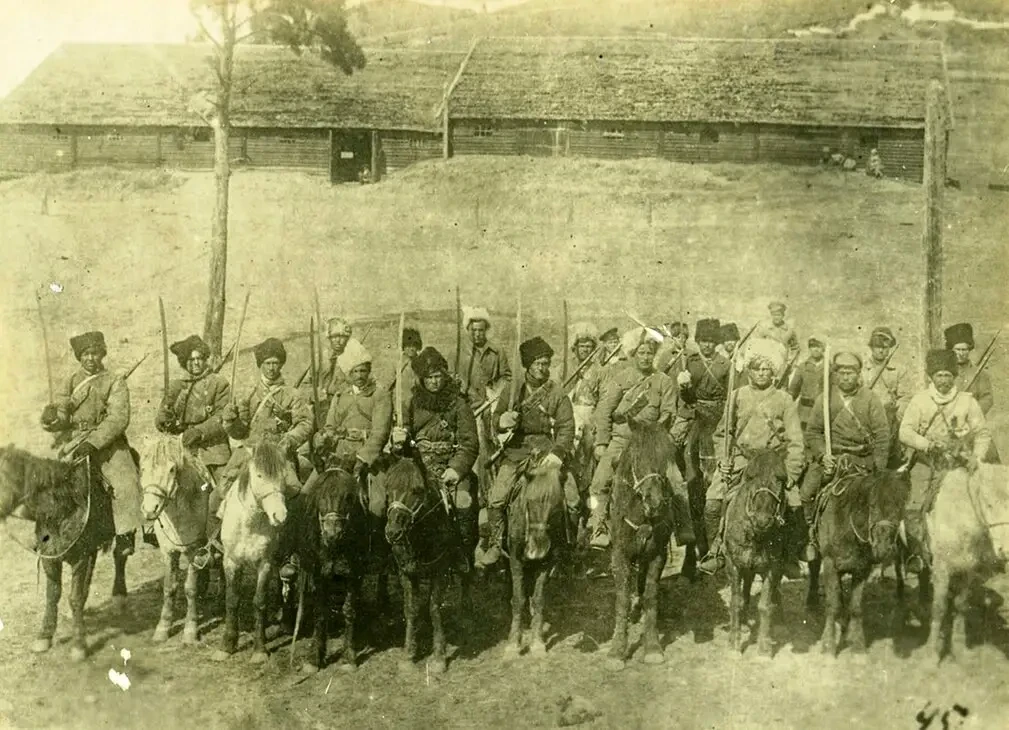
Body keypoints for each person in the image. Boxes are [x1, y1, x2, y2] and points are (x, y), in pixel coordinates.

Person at [698, 338, 805, 575]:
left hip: (772, 462)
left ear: (774, 372)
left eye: (767, 368)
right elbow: (722, 433)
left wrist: (791, 473)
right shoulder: (736, 396)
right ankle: (717, 551)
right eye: (757, 368)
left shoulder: (784, 400)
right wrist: (723, 460)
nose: (762, 373)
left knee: (795, 502)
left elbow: (796, 441)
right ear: (749, 370)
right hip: (741, 460)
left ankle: (790, 556)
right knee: (713, 501)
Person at [587, 328, 695, 550]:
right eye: (641, 353)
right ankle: (599, 527)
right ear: (633, 354)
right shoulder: (620, 379)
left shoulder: (663, 381)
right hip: (623, 440)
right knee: (599, 483)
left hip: (652, 442)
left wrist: (661, 437)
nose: (646, 358)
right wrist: (601, 442)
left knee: (675, 480)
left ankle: (683, 526)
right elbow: (604, 411)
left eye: (649, 353)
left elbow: (668, 412)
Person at [41, 330, 143, 558]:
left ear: (102, 354)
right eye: (85, 354)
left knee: (126, 481)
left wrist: (94, 443)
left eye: (95, 353)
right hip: (75, 440)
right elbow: (63, 413)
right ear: (79, 356)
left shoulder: (114, 381)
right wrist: (52, 419)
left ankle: (125, 533)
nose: (90, 358)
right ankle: (48, 531)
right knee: (48, 481)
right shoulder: (70, 381)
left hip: (108, 443)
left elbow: (118, 418)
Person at [480, 336, 576, 567]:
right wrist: (502, 420)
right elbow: (495, 419)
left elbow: (566, 427)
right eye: (538, 363)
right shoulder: (513, 390)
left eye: (546, 363)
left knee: (573, 498)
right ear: (528, 365)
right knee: (497, 498)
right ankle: (496, 543)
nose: (542, 368)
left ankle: (568, 545)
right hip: (517, 451)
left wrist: (557, 453)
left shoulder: (557, 393)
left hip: (546, 451)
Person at [899, 349, 991, 573]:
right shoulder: (920, 400)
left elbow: (982, 433)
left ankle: (983, 553)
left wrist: (977, 458)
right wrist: (926, 444)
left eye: (948, 375)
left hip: (957, 464)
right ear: (931, 376)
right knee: (913, 505)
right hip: (926, 463)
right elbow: (905, 431)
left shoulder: (967, 402)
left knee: (980, 503)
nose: (943, 380)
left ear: (954, 376)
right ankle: (916, 554)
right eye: (939, 375)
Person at [391, 347, 479, 572]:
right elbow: (404, 436)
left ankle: (462, 553)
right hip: (420, 468)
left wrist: (456, 469)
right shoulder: (412, 403)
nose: (434, 382)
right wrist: (398, 440)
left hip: (449, 465)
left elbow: (469, 443)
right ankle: (400, 553)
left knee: (463, 502)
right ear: (422, 379)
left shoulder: (459, 404)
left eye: (438, 376)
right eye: (429, 377)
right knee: (398, 502)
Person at [799, 352, 890, 561]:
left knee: (881, 499)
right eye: (842, 372)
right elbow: (812, 432)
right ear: (835, 374)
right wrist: (823, 455)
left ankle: (880, 543)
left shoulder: (870, 399)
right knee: (806, 492)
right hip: (833, 458)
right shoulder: (824, 399)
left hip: (862, 460)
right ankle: (811, 536)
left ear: (858, 374)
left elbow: (882, 434)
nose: (846, 377)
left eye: (851, 372)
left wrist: (878, 468)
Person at [155, 334, 231, 540]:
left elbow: (223, 416)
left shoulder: (218, 383)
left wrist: (200, 431)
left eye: (199, 358)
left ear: (205, 359)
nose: (196, 363)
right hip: (182, 446)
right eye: (191, 360)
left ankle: (221, 536)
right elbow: (161, 418)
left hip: (211, 449)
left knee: (224, 490)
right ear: (184, 362)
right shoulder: (176, 386)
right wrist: (164, 418)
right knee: (161, 483)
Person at [220, 337, 310, 496]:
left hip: (279, 453)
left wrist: (289, 440)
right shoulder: (248, 394)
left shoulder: (292, 394)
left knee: (294, 494)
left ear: (281, 364)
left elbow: (305, 423)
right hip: (249, 452)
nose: (271, 368)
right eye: (267, 363)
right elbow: (239, 433)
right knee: (218, 496)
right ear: (260, 364)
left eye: (275, 363)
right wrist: (230, 421)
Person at [457, 306, 511, 503]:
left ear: (486, 330)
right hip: (469, 408)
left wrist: (495, 392)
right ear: (468, 330)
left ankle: (494, 491)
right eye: (474, 330)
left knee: (494, 446)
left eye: (481, 330)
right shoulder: (460, 353)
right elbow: (453, 379)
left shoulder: (496, 351)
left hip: (491, 405)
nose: (477, 334)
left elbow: (506, 376)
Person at [945, 322, 999, 463]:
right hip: (948, 425)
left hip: (973, 425)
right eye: (957, 349)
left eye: (965, 349)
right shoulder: (945, 373)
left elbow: (987, 398)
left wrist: (971, 414)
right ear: (951, 350)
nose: (961, 353)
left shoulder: (980, 374)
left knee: (989, 456)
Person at [753, 302, 800, 383]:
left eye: (778, 315)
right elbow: (756, 347)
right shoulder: (764, 329)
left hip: (782, 368)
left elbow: (795, 349)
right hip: (766, 368)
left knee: (782, 388)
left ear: (783, 315)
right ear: (771, 315)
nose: (776, 317)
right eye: (774, 315)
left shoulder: (789, 331)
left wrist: (790, 365)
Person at [788, 338, 827, 431]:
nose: (816, 349)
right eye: (813, 346)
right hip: (804, 412)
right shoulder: (803, 367)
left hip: (823, 412)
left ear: (823, 348)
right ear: (809, 348)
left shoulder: (830, 367)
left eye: (819, 346)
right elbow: (793, 391)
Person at [388, 327, 422, 421]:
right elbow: (388, 386)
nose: (411, 348)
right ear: (403, 346)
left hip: (418, 406)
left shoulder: (422, 362)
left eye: (414, 345)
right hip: (400, 406)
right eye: (408, 345)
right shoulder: (397, 363)